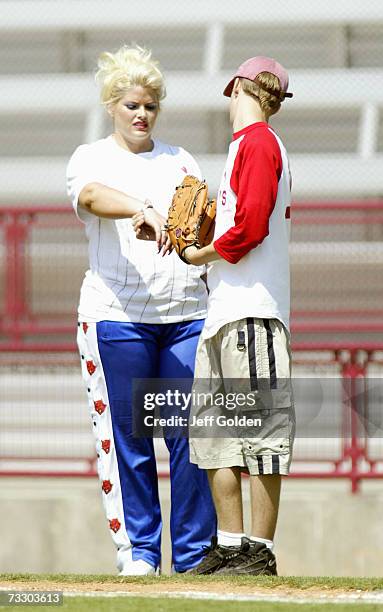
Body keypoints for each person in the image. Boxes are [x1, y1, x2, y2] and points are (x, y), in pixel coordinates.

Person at [66, 44, 216, 576]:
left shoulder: (180, 160)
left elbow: (199, 232)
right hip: (116, 317)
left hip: (184, 316)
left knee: (188, 438)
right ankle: (141, 554)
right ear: (112, 104)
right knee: (130, 439)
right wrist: (140, 207)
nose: (141, 114)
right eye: (131, 104)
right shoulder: (91, 156)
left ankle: (196, 556)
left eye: (150, 105)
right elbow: (90, 197)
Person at [162, 56, 295, 575]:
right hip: (227, 312)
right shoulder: (246, 147)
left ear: (239, 86)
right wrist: (204, 233)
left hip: (253, 313)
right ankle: (231, 545)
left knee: (259, 435)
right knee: (216, 437)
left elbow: (252, 228)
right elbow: (241, 219)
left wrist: (199, 252)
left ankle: (258, 552)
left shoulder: (258, 142)